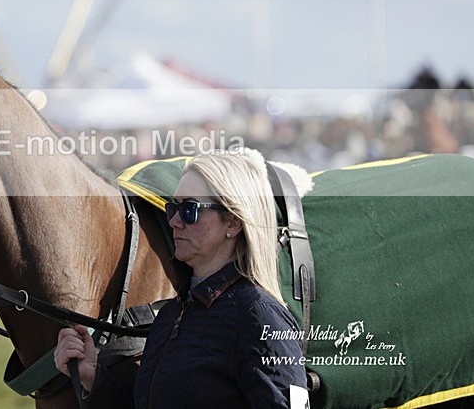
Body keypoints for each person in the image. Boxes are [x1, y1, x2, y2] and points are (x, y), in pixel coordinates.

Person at [54, 149, 308, 408]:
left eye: (190, 210)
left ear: (232, 223)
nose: (174, 221)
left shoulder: (259, 316)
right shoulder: (171, 314)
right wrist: (92, 378)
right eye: (172, 208)